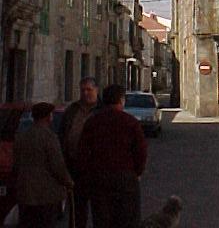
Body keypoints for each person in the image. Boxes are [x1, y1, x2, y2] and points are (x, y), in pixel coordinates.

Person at [77, 83, 147, 228]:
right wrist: (137, 172)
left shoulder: (92, 122)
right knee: (127, 220)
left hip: (99, 179)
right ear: (121, 100)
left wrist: (89, 174)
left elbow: (82, 152)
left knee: (102, 220)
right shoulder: (130, 122)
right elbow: (141, 151)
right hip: (125, 178)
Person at [14, 102, 73, 228]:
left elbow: (16, 163)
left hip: (25, 193)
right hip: (45, 194)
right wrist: (68, 181)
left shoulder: (22, 137)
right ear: (48, 117)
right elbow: (57, 165)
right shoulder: (49, 137)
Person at [58, 76, 103, 228]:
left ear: (96, 90)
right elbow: (63, 134)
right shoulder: (72, 110)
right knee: (77, 210)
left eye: (89, 90)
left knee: (100, 210)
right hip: (75, 167)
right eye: (83, 90)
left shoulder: (102, 111)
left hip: (97, 169)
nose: (85, 93)